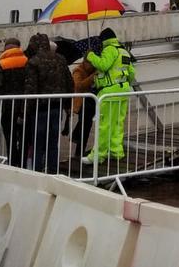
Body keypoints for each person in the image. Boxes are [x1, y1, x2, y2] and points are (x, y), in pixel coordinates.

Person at [83, 28, 135, 164]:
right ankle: (116, 151)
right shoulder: (124, 51)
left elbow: (104, 65)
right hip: (123, 91)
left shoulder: (110, 49)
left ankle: (98, 155)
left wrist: (91, 56)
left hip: (109, 93)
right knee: (118, 123)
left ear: (104, 40)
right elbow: (132, 73)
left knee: (104, 125)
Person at [23, 32, 71, 173]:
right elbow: (69, 83)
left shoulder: (33, 61)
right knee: (53, 143)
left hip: (40, 108)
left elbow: (30, 89)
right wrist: (67, 106)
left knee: (37, 143)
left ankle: (37, 173)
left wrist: (25, 112)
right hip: (57, 107)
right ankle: (52, 172)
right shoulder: (61, 60)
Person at [0, 37, 28, 167]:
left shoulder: (1, 63)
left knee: (10, 137)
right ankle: (22, 164)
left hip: (8, 107)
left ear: (5, 48)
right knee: (24, 137)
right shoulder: (28, 61)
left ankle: (13, 163)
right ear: (19, 47)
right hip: (25, 107)